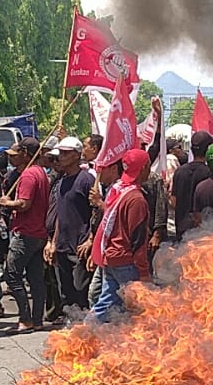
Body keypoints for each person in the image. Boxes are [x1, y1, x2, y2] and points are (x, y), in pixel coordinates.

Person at [89, 150, 152, 324]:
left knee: (106, 303)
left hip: (111, 257)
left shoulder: (118, 189)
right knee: (139, 308)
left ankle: (81, 335)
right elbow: (138, 240)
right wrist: (144, 272)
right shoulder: (136, 200)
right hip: (126, 261)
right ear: (144, 168)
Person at [0, 137, 50, 332]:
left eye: (15, 154)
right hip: (38, 233)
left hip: (26, 232)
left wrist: (7, 203)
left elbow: (24, 204)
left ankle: (26, 318)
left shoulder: (29, 175)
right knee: (36, 278)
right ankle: (37, 319)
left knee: (11, 275)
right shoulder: (41, 173)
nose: (11, 158)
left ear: (26, 154)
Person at [46, 138, 95, 313]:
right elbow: (61, 214)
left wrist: (90, 240)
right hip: (62, 247)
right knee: (65, 293)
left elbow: (96, 212)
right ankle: (71, 327)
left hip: (79, 246)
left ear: (77, 155)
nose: (62, 157)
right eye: (61, 153)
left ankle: (84, 329)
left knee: (80, 290)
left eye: (66, 153)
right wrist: (52, 242)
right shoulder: (60, 183)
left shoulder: (86, 180)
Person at [171, 131, 213, 240]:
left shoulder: (179, 171)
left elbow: (173, 201)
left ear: (191, 149)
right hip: (202, 233)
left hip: (181, 231)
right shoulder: (210, 173)